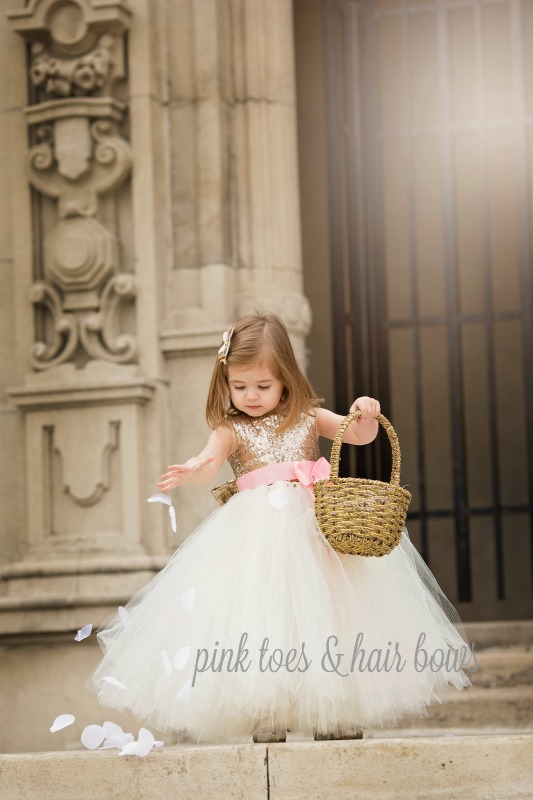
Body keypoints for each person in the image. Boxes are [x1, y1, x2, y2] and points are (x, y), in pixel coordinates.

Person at [90, 312, 471, 744]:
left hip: (315, 528)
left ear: (286, 379)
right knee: (265, 612)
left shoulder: (308, 416)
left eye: (263, 386)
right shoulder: (230, 428)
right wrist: (196, 467)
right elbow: (210, 462)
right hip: (256, 534)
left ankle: (337, 707)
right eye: (240, 386)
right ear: (225, 381)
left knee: (329, 609)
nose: (251, 396)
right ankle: (268, 708)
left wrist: (366, 412)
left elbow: (360, 437)